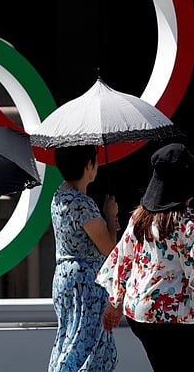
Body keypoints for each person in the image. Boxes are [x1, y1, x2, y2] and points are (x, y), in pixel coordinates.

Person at [97, 143, 194, 372]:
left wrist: (114, 302)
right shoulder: (187, 221)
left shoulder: (140, 216)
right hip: (174, 317)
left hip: (140, 313)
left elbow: (123, 258)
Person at [48, 144, 119, 371]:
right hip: (85, 282)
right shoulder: (82, 203)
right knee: (87, 346)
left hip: (64, 279)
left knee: (69, 337)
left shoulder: (59, 195)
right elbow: (109, 249)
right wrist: (110, 216)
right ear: (88, 165)